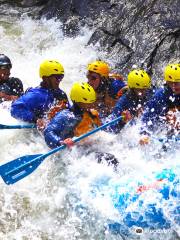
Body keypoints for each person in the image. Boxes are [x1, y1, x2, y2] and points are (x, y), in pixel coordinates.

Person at [44, 82, 101, 148]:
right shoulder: (66, 115)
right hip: (75, 151)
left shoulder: (93, 114)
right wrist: (60, 142)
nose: (92, 105)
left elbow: (101, 132)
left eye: (92, 102)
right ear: (78, 102)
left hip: (90, 147)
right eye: (88, 103)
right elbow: (48, 132)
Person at [11, 60, 69, 125]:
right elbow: (14, 109)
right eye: (57, 77)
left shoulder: (61, 94)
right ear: (45, 78)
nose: (59, 80)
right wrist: (36, 120)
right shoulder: (36, 95)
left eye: (61, 77)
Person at [140, 63, 180, 145]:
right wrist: (144, 134)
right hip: (162, 126)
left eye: (177, 83)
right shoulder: (160, 96)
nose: (174, 86)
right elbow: (147, 117)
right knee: (171, 117)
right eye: (170, 83)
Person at [105, 69, 153, 133]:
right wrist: (122, 122)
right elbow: (110, 129)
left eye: (145, 89)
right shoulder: (122, 103)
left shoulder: (150, 93)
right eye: (140, 90)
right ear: (132, 89)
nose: (143, 92)